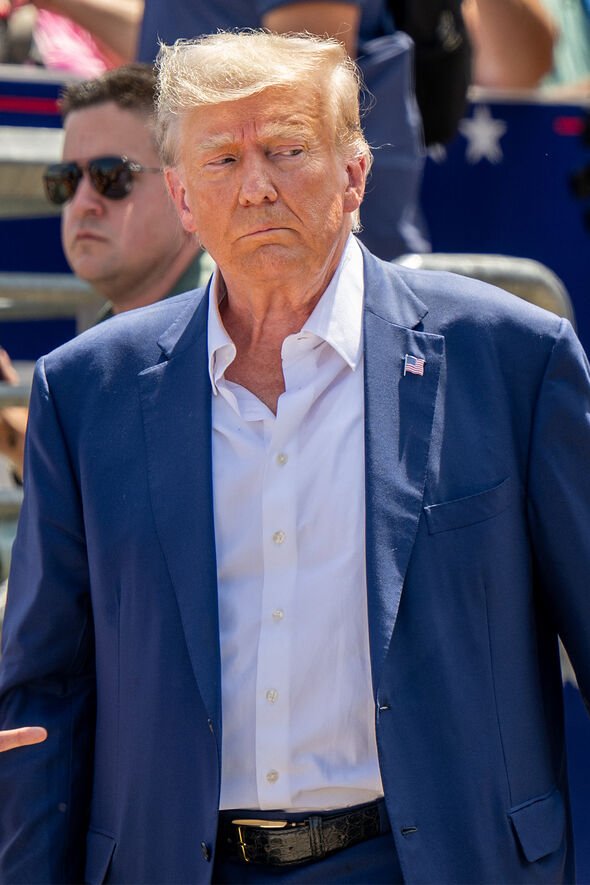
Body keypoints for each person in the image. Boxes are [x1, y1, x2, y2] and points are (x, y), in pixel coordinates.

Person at [0, 29, 589, 885]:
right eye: (224, 160)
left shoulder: (512, 360)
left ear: (354, 174)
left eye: (286, 149)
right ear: (182, 195)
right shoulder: (86, 393)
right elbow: (43, 694)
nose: (256, 187)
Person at [0, 62, 212, 482]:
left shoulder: (230, 331)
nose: (82, 202)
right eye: (65, 180)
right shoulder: (117, 334)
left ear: (186, 188)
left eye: (110, 176)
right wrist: (13, 431)